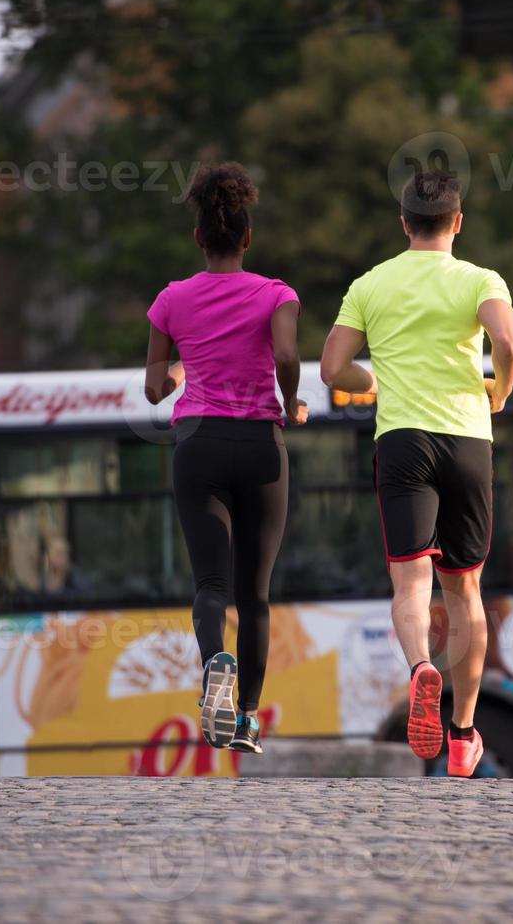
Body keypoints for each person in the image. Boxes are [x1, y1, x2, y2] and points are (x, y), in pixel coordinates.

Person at [320, 170, 513, 777]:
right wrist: (501, 392)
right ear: (457, 222)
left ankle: (419, 669)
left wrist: (370, 381)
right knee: (464, 592)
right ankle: (462, 735)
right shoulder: (479, 279)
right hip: (467, 441)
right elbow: (508, 342)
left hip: (403, 441)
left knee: (410, 586)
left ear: (404, 223)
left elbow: (333, 367)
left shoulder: (371, 283)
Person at [143, 162, 307, 755]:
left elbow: (155, 388)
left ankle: (216, 661)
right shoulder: (276, 294)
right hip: (261, 445)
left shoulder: (172, 299)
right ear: (247, 237)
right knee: (255, 592)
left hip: (198, 443)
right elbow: (286, 357)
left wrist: (186, 367)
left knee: (210, 583)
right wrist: (289, 401)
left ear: (197, 239)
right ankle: (247, 721)